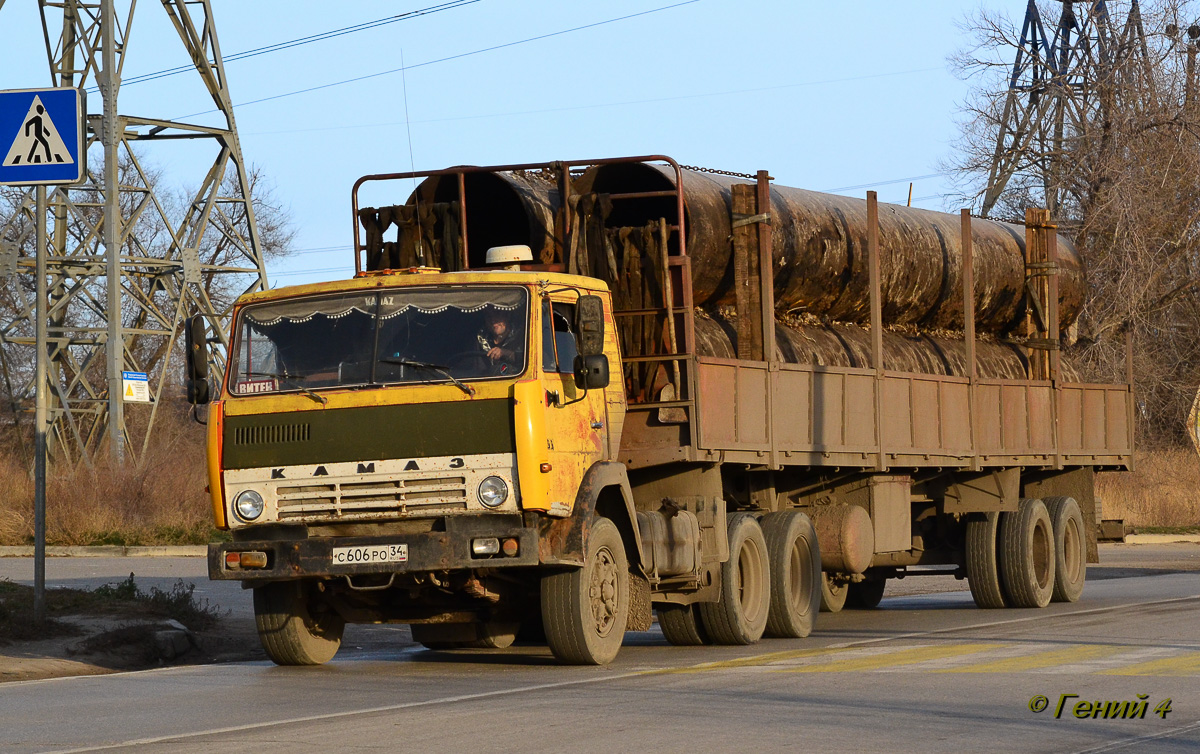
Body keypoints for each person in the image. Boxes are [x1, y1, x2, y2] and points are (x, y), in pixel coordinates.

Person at [480, 309, 523, 374]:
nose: (493, 320)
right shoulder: (480, 338)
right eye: (489, 316)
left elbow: (533, 361)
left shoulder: (522, 336)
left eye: (497, 314)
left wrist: (506, 353)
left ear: (507, 316)